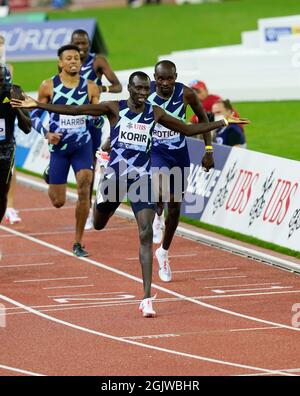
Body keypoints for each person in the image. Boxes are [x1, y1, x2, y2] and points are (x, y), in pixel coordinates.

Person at [11, 71, 249, 318]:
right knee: (100, 223)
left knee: (145, 233)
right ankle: (99, 197)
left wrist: (223, 123)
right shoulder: (114, 108)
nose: (144, 93)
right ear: (130, 88)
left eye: (147, 89)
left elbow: (187, 129)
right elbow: (77, 110)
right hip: (115, 178)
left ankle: (147, 297)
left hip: (141, 180)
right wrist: (38, 104)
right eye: (139, 89)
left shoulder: (154, 113)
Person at [30, 44, 100, 257]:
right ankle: (51, 171)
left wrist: (94, 119)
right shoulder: (48, 86)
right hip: (58, 148)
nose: (73, 61)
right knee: (58, 201)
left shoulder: (90, 87)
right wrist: (46, 132)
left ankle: (78, 242)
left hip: (82, 146)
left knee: (85, 184)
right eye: (68, 58)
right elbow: (34, 114)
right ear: (60, 62)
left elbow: (97, 119)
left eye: (77, 58)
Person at [147, 60, 214, 282]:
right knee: (159, 187)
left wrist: (208, 149)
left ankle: (163, 252)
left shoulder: (186, 94)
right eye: (160, 78)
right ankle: (157, 214)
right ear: (154, 77)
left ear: (175, 77)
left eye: (169, 78)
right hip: (156, 151)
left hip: (179, 153)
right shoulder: (145, 94)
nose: (165, 83)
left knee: (175, 207)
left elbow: (203, 119)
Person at [71, 29, 122, 230]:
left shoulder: (97, 62)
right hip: (72, 119)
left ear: (89, 44)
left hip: (91, 120)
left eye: (84, 44)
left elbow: (117, 86)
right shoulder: (67, 61)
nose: (81, 48)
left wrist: (101, 88)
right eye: (77, 44)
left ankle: (90, 208)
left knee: (90, 165)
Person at [0, 65, 32, 224]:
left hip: (5, 151)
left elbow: (26, 128)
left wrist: (18, 109)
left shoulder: (14, 92)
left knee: (2, 195)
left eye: (2, 81)